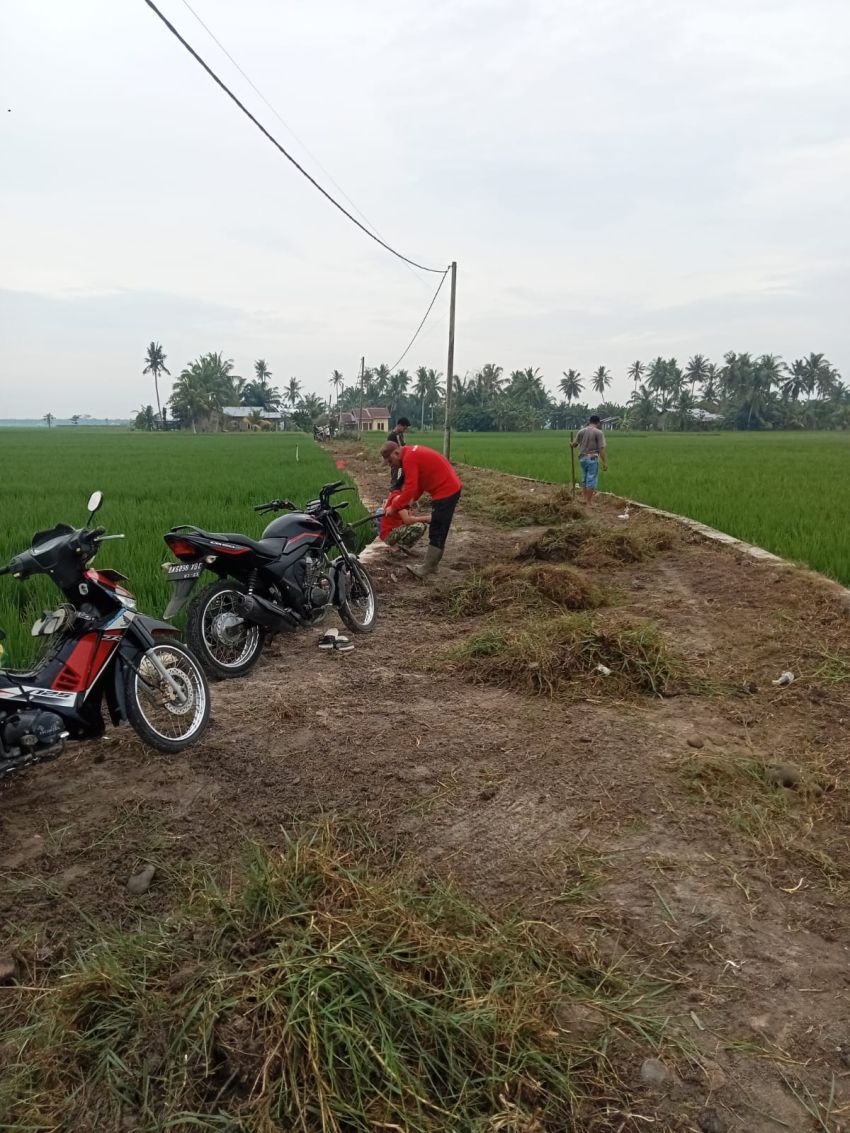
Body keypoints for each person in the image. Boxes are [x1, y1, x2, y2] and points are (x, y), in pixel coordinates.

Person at [380, 442, 462, 578]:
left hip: (446, 491)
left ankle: (428, 567)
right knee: (439, 526)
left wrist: (394, 507)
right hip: (447, 487)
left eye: (390, 461)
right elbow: (418, 487)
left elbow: (411, 488)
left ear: (396, 453)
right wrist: (405, 505)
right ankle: (432, 565)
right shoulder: (411, 453)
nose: (391, 464)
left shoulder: (409, 458)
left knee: (437, 528)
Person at [570, 414, 608, 506]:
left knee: (585, 478)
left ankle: (585, 499)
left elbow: (574, 445)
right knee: (591, 479)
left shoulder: (581, 431)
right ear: (598, 423)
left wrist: (570, 444)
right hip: (592, 458)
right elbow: (601, 449)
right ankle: (589, 502)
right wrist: (605, 462)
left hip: (582, 458)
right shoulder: (598, 433)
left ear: (589, 421)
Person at [378, 489, 429, 554]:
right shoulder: (398, 498)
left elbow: (409, 518)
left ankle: (401, 548)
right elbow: (407, 520)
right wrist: (426, 518)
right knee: (420, 526)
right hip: (389, 535)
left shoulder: (400, 496)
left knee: (422, 525)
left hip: (394, 531)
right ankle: (396, 548)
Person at [387, 417, 411, 488]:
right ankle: (393, 495)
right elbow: (391, 450)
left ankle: (398, 494)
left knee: (401, 479)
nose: (404, 430)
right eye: (404, 428)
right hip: (396, 462)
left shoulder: (400, 435)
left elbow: (403, 446)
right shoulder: (392, 436)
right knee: (395, 479)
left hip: (401, 461)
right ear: (399, 425)